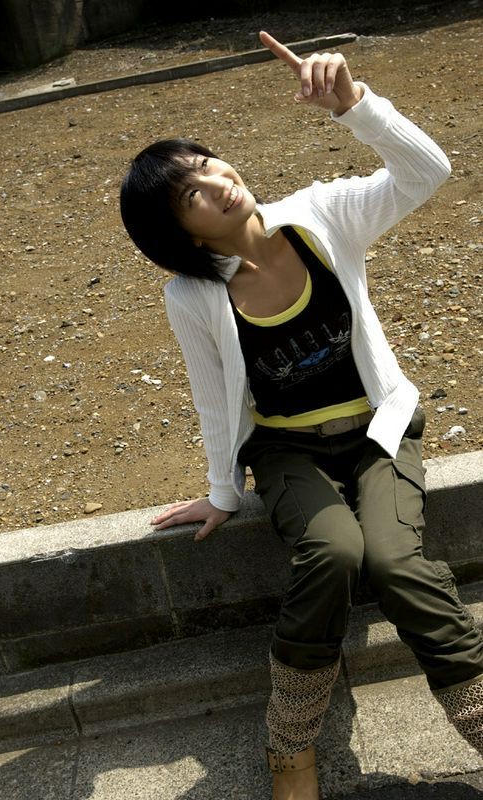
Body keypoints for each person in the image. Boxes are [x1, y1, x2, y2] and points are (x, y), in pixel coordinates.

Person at [120, 31, 483, 800]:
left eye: (208, 164)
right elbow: (212, 395)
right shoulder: (192, 295)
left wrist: (355, 106)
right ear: (180, 232)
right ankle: (289, 744)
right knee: (333, 554)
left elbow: (428, 172)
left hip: (379, 434)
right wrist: (222, 492)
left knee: (395, 563)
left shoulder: (322, 216)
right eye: (189, 194)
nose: (216, 181)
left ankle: (477, 717)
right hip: (289, 454)